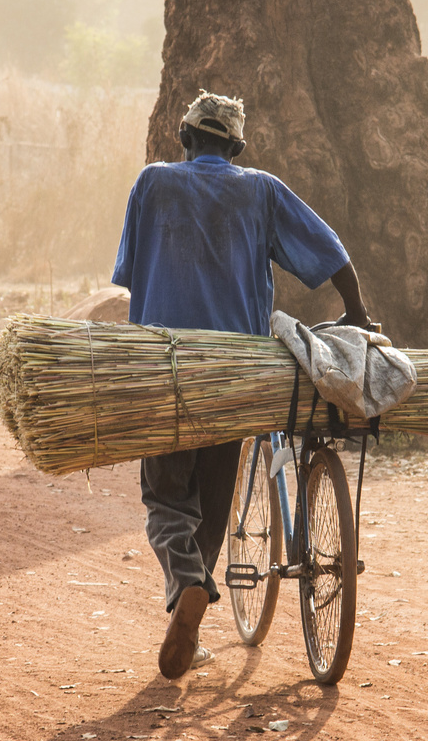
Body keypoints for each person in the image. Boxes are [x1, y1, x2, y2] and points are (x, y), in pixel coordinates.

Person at [112, 90, 371, 680]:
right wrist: (356, 315)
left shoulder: (152, 184)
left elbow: (130, 277)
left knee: (165, 498)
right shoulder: (260, 189)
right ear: (236, 147)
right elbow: (331, 252)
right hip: (238, 372)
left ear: (184, 139)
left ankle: (187, 585)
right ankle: (194, 601)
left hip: (167, 367)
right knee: (211, 504)